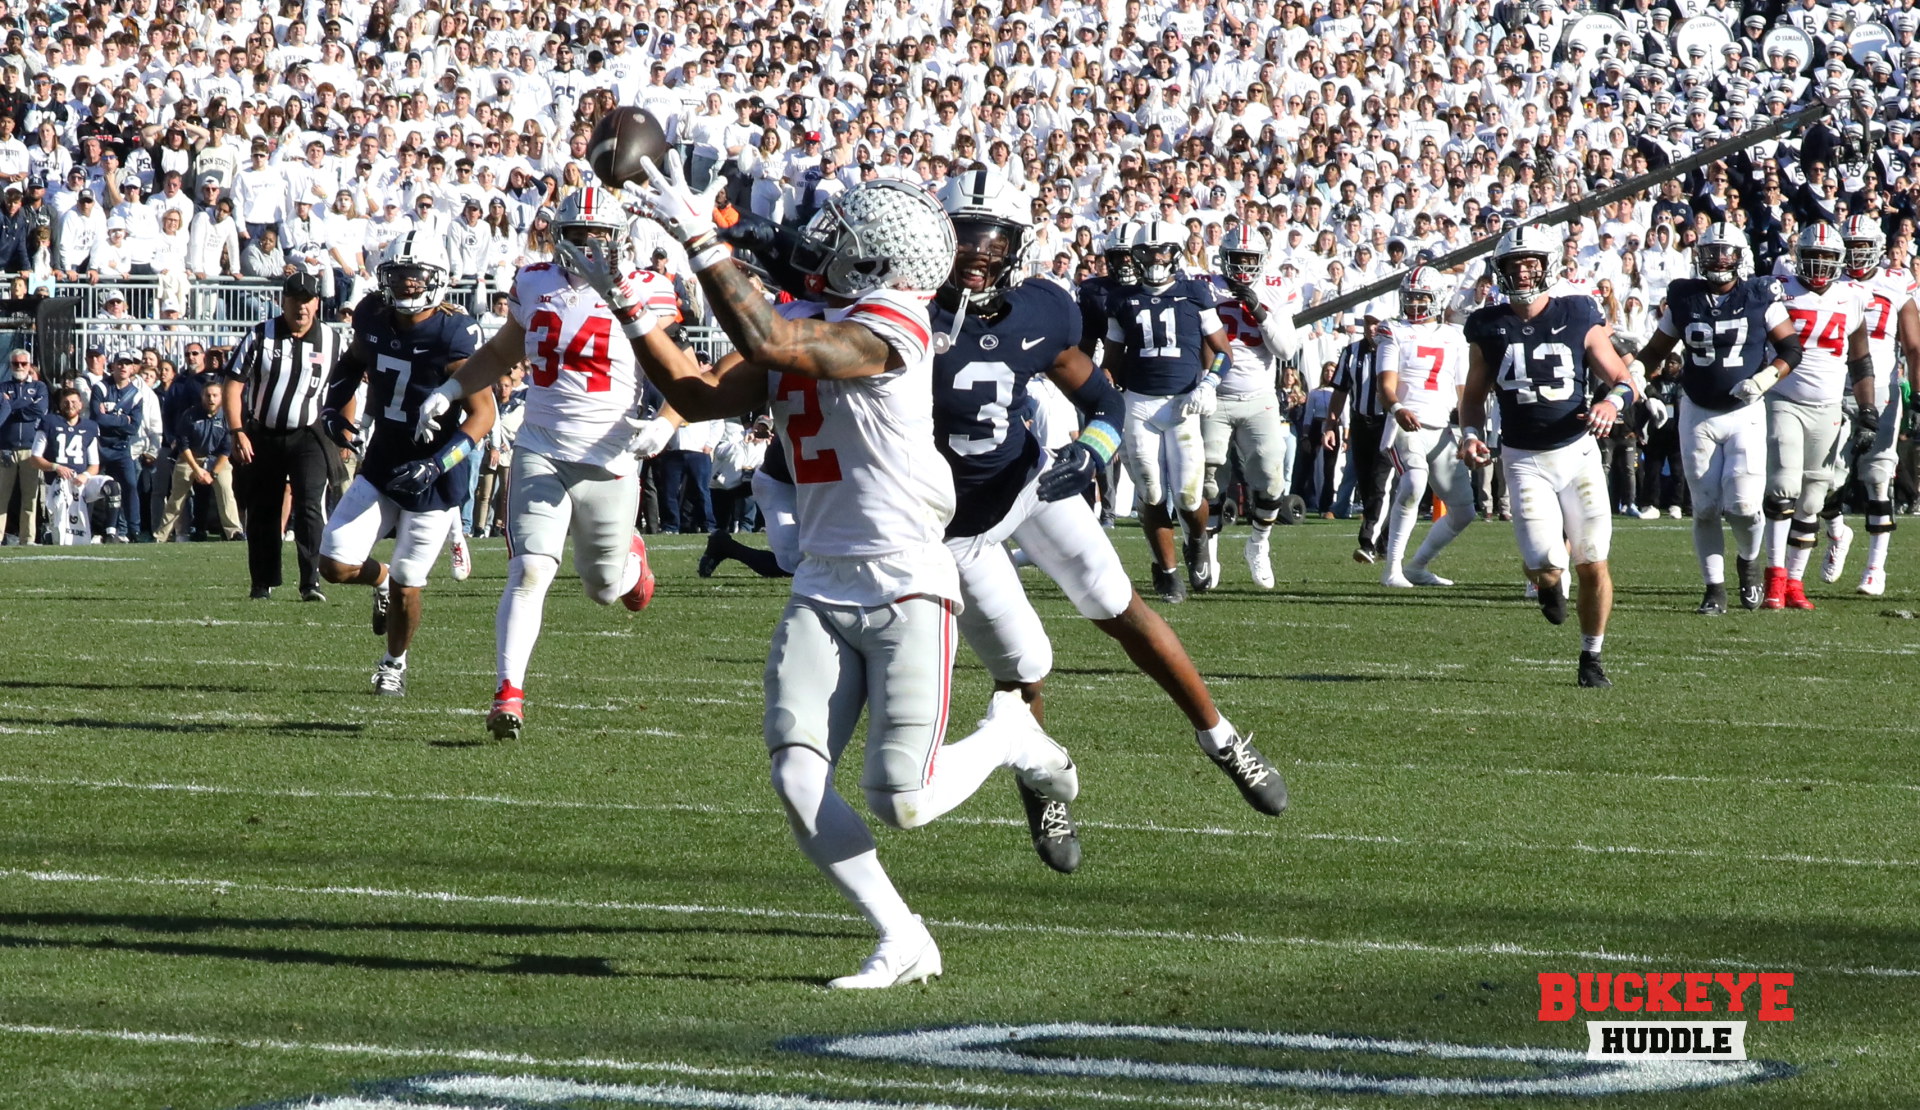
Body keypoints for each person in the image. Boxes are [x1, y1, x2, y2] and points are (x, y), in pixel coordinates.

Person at [616, 161, 1079, 988]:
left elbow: (775, 341)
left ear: (874, 253)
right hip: (822, 579)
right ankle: (902, 937)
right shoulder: (814, 314)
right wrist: (624, 299)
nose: (824, 237)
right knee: (796, 778)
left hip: (905, 579)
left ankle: (1011, 733)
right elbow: (695, 388)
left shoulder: (895, 318)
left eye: (845, 230)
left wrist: (702, 241)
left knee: (902, 799)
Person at [928, 169, 1288, 874]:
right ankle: (1040, 779)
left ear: (1018, 245)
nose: (978, 251)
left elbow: (1102, 398)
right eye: (963, 234)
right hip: (951, 524)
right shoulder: (893, 312)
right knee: (1018, 667)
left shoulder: (1040, 308)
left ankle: (1221, 738)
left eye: (993, 236)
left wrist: (1092, 450)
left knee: (1118, 605)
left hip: (1033, 481)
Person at [412, 185, 673, 740]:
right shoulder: (535, 282)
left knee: (603, 588)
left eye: (597, 236)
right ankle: (508, 695)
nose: (586, 246)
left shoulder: (644, 288)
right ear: (560, 237)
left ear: (616, 240)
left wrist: (667, 421)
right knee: (530, 569)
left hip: (610, 456)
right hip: (541, 447)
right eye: (577, 235)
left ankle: (632, 563)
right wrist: (452, 389)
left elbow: (682, 368)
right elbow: (504, 351)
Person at [314, 231, 494, 697]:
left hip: (435, 473)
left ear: (437, 280)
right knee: (333, 564)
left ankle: (393, 663)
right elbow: (354, 362)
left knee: (411, 580)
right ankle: (380, 580)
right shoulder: (374, 312)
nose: (408, 286)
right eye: (399, 276)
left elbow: (483, 416)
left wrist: (437, 465)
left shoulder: (454, 331)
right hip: (383, 457)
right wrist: (334, 408)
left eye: (417, 278)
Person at [1460, 224, 1637, 689]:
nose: (1522, 273)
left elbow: (1622, 378)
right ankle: (1547, 582)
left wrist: (1609, 402)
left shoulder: (1579, 311)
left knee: (1593, 558)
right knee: (1544, 561)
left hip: (1577, 452)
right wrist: (1471, 434)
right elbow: (1474, 396)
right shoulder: (1488, 324)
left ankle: (1591, 657)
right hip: (1522, 458)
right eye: (1514, 265)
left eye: (1530, 264)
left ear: (1547, 265)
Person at [1623, 224, 1800, 613]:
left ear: (1740, 256)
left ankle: (1749, 565)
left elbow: (1790, 347)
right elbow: (1656, 349)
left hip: (1745, 412)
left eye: (1726, 251)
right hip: (1698, 412)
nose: (1719, 259)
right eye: (1712, 251)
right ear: (1699, 256)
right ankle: (1714, 589)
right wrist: (1637, 377)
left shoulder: (1759, 294)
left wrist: (1765, 378)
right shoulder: (1685, 297)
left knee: (1744, 506)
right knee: (1703, 508)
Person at [1103, 219, 1231, 599]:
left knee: (1190, 498)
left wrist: (1209, 383)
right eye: (1147, 252)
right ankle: (1169, 572)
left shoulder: (1195, 293)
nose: (1155, 259)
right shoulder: (1122, 299)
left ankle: (1197, 541)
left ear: (1175, 254)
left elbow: (1223, 351)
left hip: (1183, 403)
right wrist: (1107, 389)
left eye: (1162, 252)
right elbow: (1111, 360)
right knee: (1151, 492)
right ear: (1135, 256)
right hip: (1139, 403)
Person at [1761, 224, 1872, 610]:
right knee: (1783, 485)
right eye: (1814, 255)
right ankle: (1773, 577)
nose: (1821, 264)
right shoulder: (1779, 288)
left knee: (1812, 498)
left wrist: (1868, 409)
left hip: (1827, 408)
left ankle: (1794, 582)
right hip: (1783, 399)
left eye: (1828, 257)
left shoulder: (1853, 296)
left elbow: (1860, 359)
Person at [224, 270, 346, 601]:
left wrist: (344, 431)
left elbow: (345, 388)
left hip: (310, 434)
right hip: (263, 434)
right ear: (283, 301)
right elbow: (233, 385)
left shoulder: (333, 341)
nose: (301, 308)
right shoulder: (260, 335)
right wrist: (237, 431)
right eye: (295, 300)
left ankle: (311, 582)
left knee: (309, 505)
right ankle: (262, 583)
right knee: (263, 508)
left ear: (317, 303)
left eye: (307, 301)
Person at [1817, 216, 1920, 595]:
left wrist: (1918, 396)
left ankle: (1876, 567)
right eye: (1852, 246)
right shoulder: (1830, 280)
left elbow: (1913, 346)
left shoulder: (1895, 282)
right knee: (1820, 479)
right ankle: (1836, 531)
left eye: (1864, 246)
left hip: (1882, 391)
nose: (1858, 253)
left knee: (1878, 477)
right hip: (1833, 386)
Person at [1201, 226, 1303, 588]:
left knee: (1272, 479)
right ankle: (1209, 555)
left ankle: (1258, 544)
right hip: (1214, 395)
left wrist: (1259, 310)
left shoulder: (1277, 288)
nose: (1243, 266)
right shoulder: (1205, 285)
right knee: (1210, 480)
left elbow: (1286, 350)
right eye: (1237, 258)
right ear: (1224, 257)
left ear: (1261, 260)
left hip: (1259, 397)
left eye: (1250, 258)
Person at [1375, 265, 1475, 588]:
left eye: (1422, 297)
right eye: (1411, 297)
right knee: (1415, 483)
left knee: (1464, 511)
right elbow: (1385, 386)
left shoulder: (1454, 337)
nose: (1415, 304)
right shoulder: (1394, 330)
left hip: (1440, 429)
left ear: (1437, 298)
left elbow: (1464, 394)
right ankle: (1392, 571)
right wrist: (1398, 407)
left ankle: (1417, 566)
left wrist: (1469, 435)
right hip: (1406, 424)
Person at [1326, 311, 1391, 563]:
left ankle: (1368, 542)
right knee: (1366, 484)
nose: (1373, 328)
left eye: (1378, 323)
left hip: (1387, 423)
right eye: (1369, 323)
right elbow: (1340, 391)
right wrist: (1330, 426)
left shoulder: (1394, 349)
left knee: (1380, 483)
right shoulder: (1351, 352)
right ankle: (1384, 543)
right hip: (1361, 423)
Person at [30, 386, 120, 541]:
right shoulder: (49, 422)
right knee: (64, 537)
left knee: (112, 486)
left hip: (81, 482)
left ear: (81, 404)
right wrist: (56, 467)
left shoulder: (90, 427)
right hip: (58, 484)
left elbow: (94, 465)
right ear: (59, 405)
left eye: (73, 402)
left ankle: (111, 533)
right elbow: (35, 458)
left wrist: (85, 475)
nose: (70, 405)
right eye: (65, 402)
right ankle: (49, 534)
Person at [154, 380, 233, 541]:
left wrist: (214, 474)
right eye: (207, 395)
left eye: (215, 395)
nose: (211, 399)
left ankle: (234, 532)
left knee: (226, 490)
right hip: (190, 458)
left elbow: (226, 449)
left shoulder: (227, 416)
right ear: (202, 397)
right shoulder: (190, 415)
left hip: (217, 460)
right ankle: (161, 535)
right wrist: (197, 470)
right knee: (176, 498)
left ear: (221, 397)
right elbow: (183, 445)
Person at [87, 352, 148, 541]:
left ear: (132, 368)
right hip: (99, 446)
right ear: (112, 366)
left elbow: (134, 427)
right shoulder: (101, 387)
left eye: (127, 364)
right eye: (119, 363)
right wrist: (122, 418)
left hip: (121, 448)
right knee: (90, 487)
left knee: (129, 486)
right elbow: (98, 419)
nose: (123, 367)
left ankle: (134, 530)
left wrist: (111, 417)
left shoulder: (136, 394)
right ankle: (86, 528)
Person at [0, 349, 47, 543]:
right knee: (1, 498)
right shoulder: (3, 386)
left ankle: (27, 538)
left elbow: (39, 410)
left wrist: (11, 406)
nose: (19, 367)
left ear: (29, 365)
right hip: (6, 448)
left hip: (30, 449)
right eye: (15, 364)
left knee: (30, 498)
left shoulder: (39, 387)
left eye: (23, 363)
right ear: (10, 365)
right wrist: (24, 404)